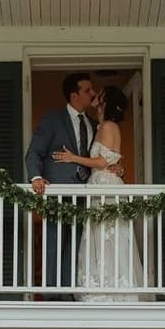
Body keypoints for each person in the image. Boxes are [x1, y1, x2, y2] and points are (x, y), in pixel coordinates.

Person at [47, 82, 142, 299]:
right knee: (99, 235)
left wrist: (73, 158)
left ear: (106, 102)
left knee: (107, 234)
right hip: (101, 183)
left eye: (100, 95)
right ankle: (100, 284)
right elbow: (111, 159)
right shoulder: (101, 126)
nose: (95, 96)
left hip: (104, 186)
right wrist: (119, 167)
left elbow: (101, 161)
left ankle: (111, 289)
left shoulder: (108, 126)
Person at [25, 71, 98, 291]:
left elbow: (96, 158)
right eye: (87, 91)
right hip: (57, 191)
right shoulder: (53, 119)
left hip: (84, 193)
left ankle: (70, 292)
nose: (92, 94)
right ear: (74, 95)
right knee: (54, 242)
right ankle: (52, 294)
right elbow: (34, 153)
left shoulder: (94, 124)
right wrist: (36, 177)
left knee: (76, 244)